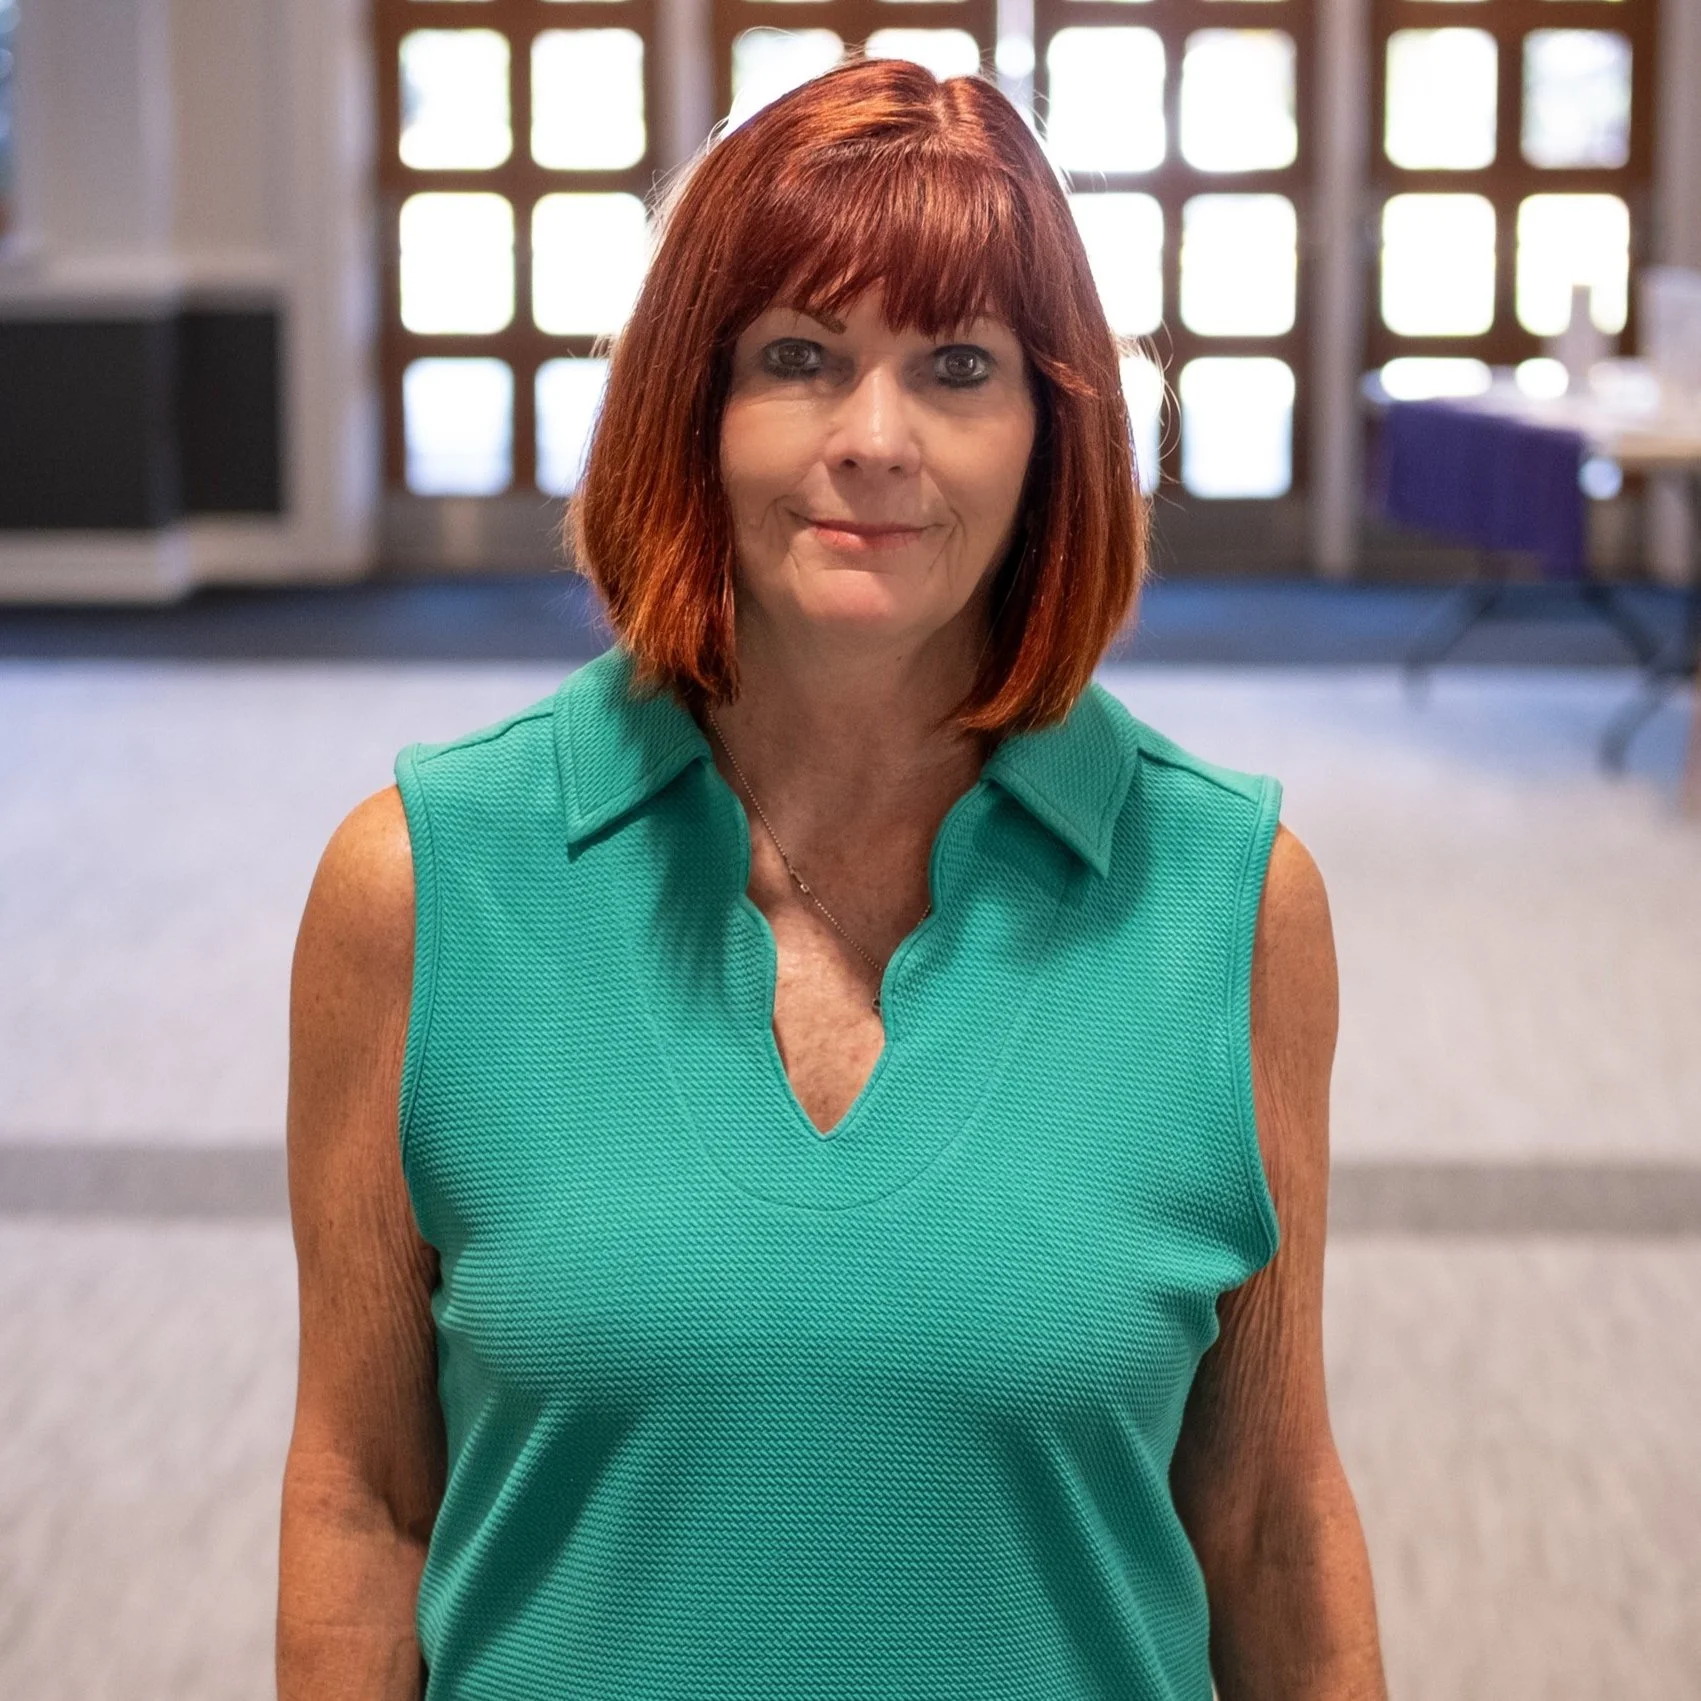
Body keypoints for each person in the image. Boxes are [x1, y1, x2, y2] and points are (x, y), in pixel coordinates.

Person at [277, 54, 1388, 1701]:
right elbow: (363, 1504)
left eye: (957, 366)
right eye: (800, 357)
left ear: (1048, 429)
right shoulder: (423, 890)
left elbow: (1270, 1525)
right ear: (692, 404)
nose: (876, 441)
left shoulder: (1232, 903)